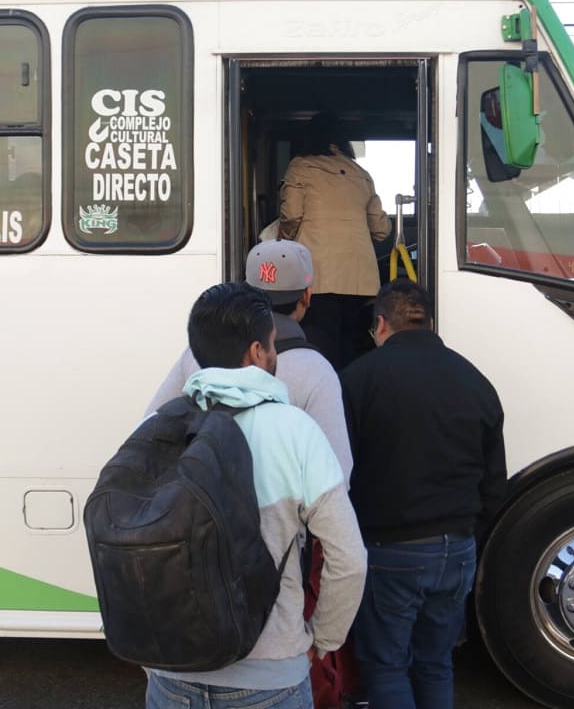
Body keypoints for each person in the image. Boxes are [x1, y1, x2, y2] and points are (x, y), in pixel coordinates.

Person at [145, 281, 367, 709]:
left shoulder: (156, 429)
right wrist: (323, 639)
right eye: (271, 346)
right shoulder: (295, 431)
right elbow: (349, 558)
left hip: (172, 672)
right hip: (270, 676)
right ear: (256, 353)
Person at [340, 279, 507, 709]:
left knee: (386, 665)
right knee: (435, 663)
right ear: (431, 323)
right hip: (458, 550)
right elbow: (494, 482)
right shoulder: (475, 380)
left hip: (390, 551)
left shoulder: (357, 381)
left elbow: (339, 472)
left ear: (380, 324)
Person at [146, 239, 352, 482]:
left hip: (206, 508)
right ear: (306, 296)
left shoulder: (197, 352)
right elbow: (337, 470)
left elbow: (150, 429)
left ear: (246, 291)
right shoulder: (316, 370)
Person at [278, 111, 392, 370]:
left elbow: (291, 214)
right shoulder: (361, 174)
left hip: (318, 278)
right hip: (361, 281)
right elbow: (381, 230)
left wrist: (282, 241)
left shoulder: (300, 166)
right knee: (355, 351)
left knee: (321, 350)